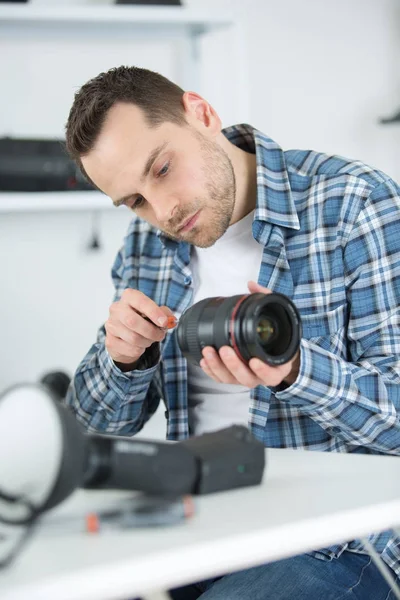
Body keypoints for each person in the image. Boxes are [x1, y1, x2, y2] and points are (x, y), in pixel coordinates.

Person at [64, 65, 400, 599]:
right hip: (202, 521)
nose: (164, 210)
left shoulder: (353, 204)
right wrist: (123, 360)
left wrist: (295, 373)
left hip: (338, 536)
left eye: (163, 167)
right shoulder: (147, 246)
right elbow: (87, 430)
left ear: (201, 113)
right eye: (134, 201)